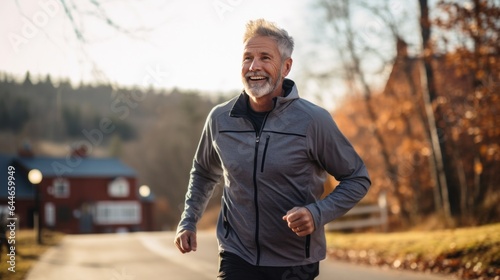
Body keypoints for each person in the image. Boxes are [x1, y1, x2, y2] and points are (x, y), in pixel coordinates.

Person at [174, 18, 371, 280]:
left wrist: (317, 213)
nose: (254, 66)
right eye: (247, 58)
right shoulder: (220, 120)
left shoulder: (313, 121)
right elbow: (203, 172)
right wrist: (188, 220)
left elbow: (357, 178)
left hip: (295, 261)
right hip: (237, 255)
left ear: (286, 67)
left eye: (265, 57)